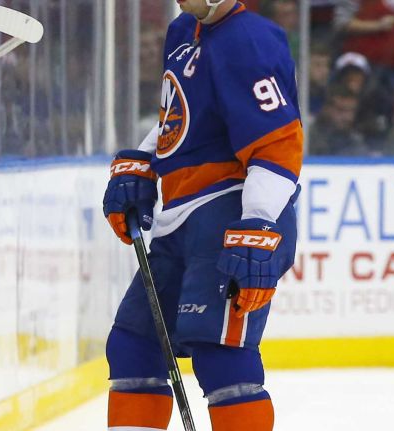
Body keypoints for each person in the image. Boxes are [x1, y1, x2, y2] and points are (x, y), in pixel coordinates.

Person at [102, 1, 302, 430]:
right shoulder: (181, 32)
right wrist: (144, 160)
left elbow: (279, 141)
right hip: (179, 216)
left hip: (231, 210)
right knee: (135, 346)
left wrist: (260, 221)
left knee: (220, 353)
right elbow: (180, 115)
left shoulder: (250, 39)